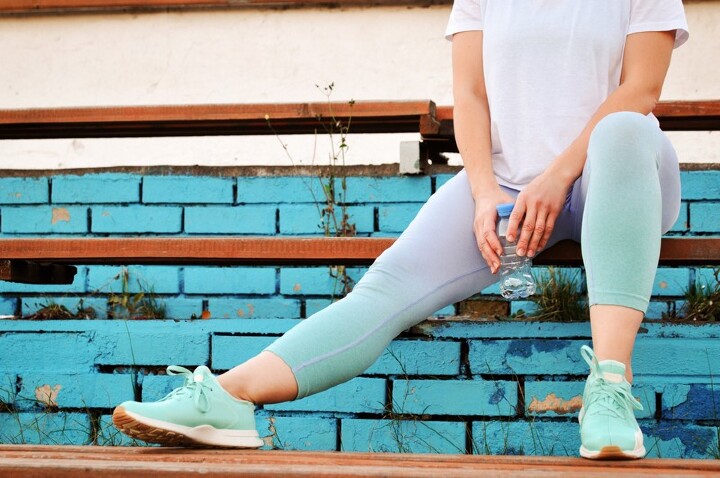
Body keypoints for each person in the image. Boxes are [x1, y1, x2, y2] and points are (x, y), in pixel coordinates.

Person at [112, 0, 689, 460]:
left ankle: (610, 389)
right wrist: (484, 192)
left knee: (624, 130)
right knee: (386, 287)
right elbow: (471, 94)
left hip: (620, 179)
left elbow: (641, 88)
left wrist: (557, 177)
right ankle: (228, 398)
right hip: (508, 183)